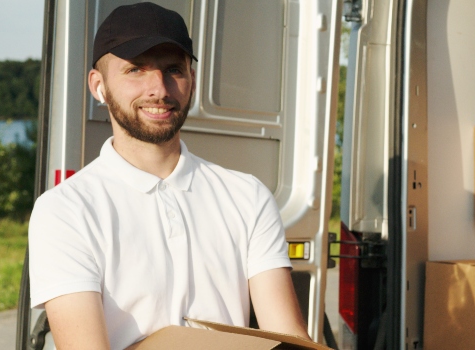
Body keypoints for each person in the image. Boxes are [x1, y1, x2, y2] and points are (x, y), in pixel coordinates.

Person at [27, 3, 310, 349]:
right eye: (135, 70)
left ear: (192, 80)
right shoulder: (65, 210)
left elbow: (290, 340)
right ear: (98, 85)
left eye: (173, 69)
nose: (159, 89)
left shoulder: (247, 196)